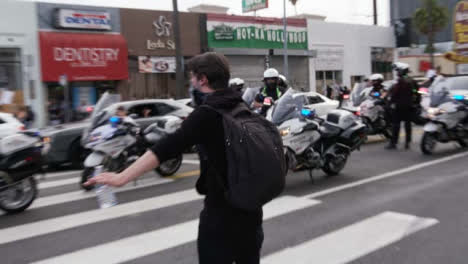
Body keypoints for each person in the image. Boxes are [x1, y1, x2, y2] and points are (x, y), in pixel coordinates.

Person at [85, 52, 265, 264]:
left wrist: (122, 177)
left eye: (192, 76)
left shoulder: (206, 113)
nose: (191, 81)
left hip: (221, 215)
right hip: (251, 212)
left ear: (203, 79)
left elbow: (165, 148)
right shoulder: (241, 106)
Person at [386, 62, 415, 150]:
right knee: (407, 125)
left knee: (396, 125)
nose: (397, 72)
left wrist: (389, 102)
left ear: (402, 71)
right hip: (409, 106)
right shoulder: (410, 80)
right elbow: (416, 92)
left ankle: (393, 143)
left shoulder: (401, 81)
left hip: (399, 106)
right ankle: (407, 142)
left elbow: (395, 93)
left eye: (398, 71)